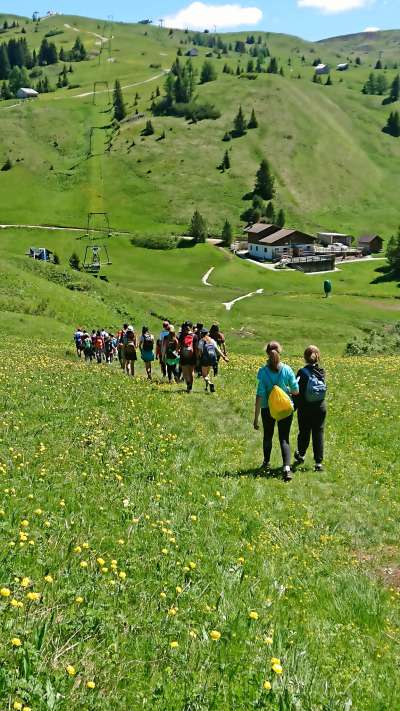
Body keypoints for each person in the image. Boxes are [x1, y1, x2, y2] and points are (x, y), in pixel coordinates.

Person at [253, 341, 299, 481]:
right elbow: (296, 391)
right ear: (280, 351)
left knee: (268, 435)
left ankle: (266, 463)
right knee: (284, 438)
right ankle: (286, 468)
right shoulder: (287, 370)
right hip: (284, 408)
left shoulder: (263, 372)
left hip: (268, 409)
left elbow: (260, 395)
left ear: (267, 353)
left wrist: (256, 418)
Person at [294, 345, 327, 473]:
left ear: (305, 357)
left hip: (306, 407)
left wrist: (294, 407)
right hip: (320, 407)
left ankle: (301, 455)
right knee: (318, 433)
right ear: (317, 357)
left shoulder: (302, 372)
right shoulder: (322, 372)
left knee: (304, 432)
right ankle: (318, 463)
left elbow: (297, 391)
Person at [197, 328, 228, 392]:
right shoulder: (212, 340)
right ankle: (206, 387)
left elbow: (200, 353)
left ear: (202, 334)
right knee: (207, 373)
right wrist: (224, 357)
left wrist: (199, 358)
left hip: (205, 359)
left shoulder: (201, 341)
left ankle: (210, 383)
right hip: (212, 358)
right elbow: (217, 349)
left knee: (204, 375)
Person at [178, 321, 198, 393]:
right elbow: (196, 348)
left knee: (185, 372)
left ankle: (188, 384)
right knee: (191, 371)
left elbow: (178, 347)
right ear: (191, 327)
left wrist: (178, 351)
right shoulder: (195, 336)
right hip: (192, 356)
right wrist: (197, 357)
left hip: (184, 355)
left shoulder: (182, 335)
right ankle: (191, 386)